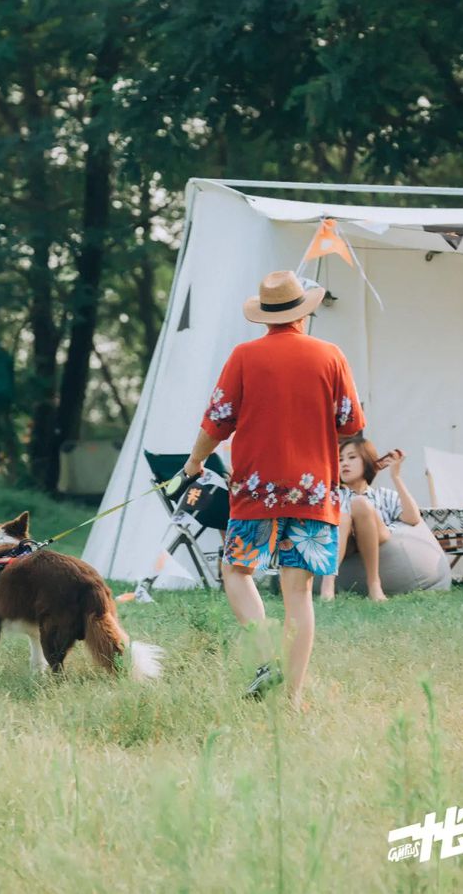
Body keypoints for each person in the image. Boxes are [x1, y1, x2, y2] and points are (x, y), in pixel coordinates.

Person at [182, 270, 365, 710]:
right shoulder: (330, 355)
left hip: (255, 489)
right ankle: (294, 699)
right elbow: (351, 424)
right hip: (313, 489)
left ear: (264, 316)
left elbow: (218, 420)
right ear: (304, 311)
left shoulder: (244, 356)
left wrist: (194, 461)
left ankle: (264, 656)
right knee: (298, 593)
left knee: (237, 570)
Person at [320, 438, 421, 603]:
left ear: (367, 461)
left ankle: (374, 583)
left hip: (377, 537)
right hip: (346, 541)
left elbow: (413, 518)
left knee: (360, 504)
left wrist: (395, 476)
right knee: (343, 518)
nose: (344, 463)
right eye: (340, 460)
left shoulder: (383, 495)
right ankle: (327, 584)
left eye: (352, 457)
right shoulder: (333, 497)